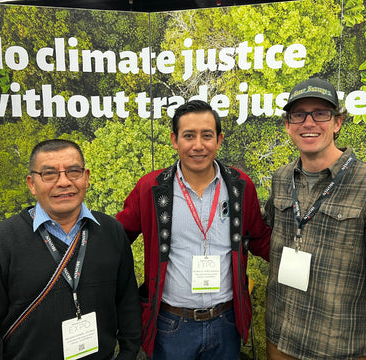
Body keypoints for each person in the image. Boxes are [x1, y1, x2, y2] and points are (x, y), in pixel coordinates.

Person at [264, 78, 366, 359]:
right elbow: (264, 234)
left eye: (320, 113)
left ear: (337, 122)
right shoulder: (281, 178)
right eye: (299, 114)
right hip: (281, 339)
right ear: (287, 124)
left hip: (338, 347)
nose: (309, 122)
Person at [116, 99, 271, 359]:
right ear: (175, 140)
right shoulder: (150, 189)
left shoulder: (240, 186)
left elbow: (260, 239)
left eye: (207, 136)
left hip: (226, 322)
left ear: (219, 140)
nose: (198, 145)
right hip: (171, 325)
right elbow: (116, 238)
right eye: (189, 136)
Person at [0, 139, 141, 360]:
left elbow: (127, 303)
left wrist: (128, 353)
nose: (64, 182)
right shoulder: (0, 242)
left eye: (73, 172)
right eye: (49, 174)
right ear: (31, 183)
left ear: (86, 178)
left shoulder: (111, 232)